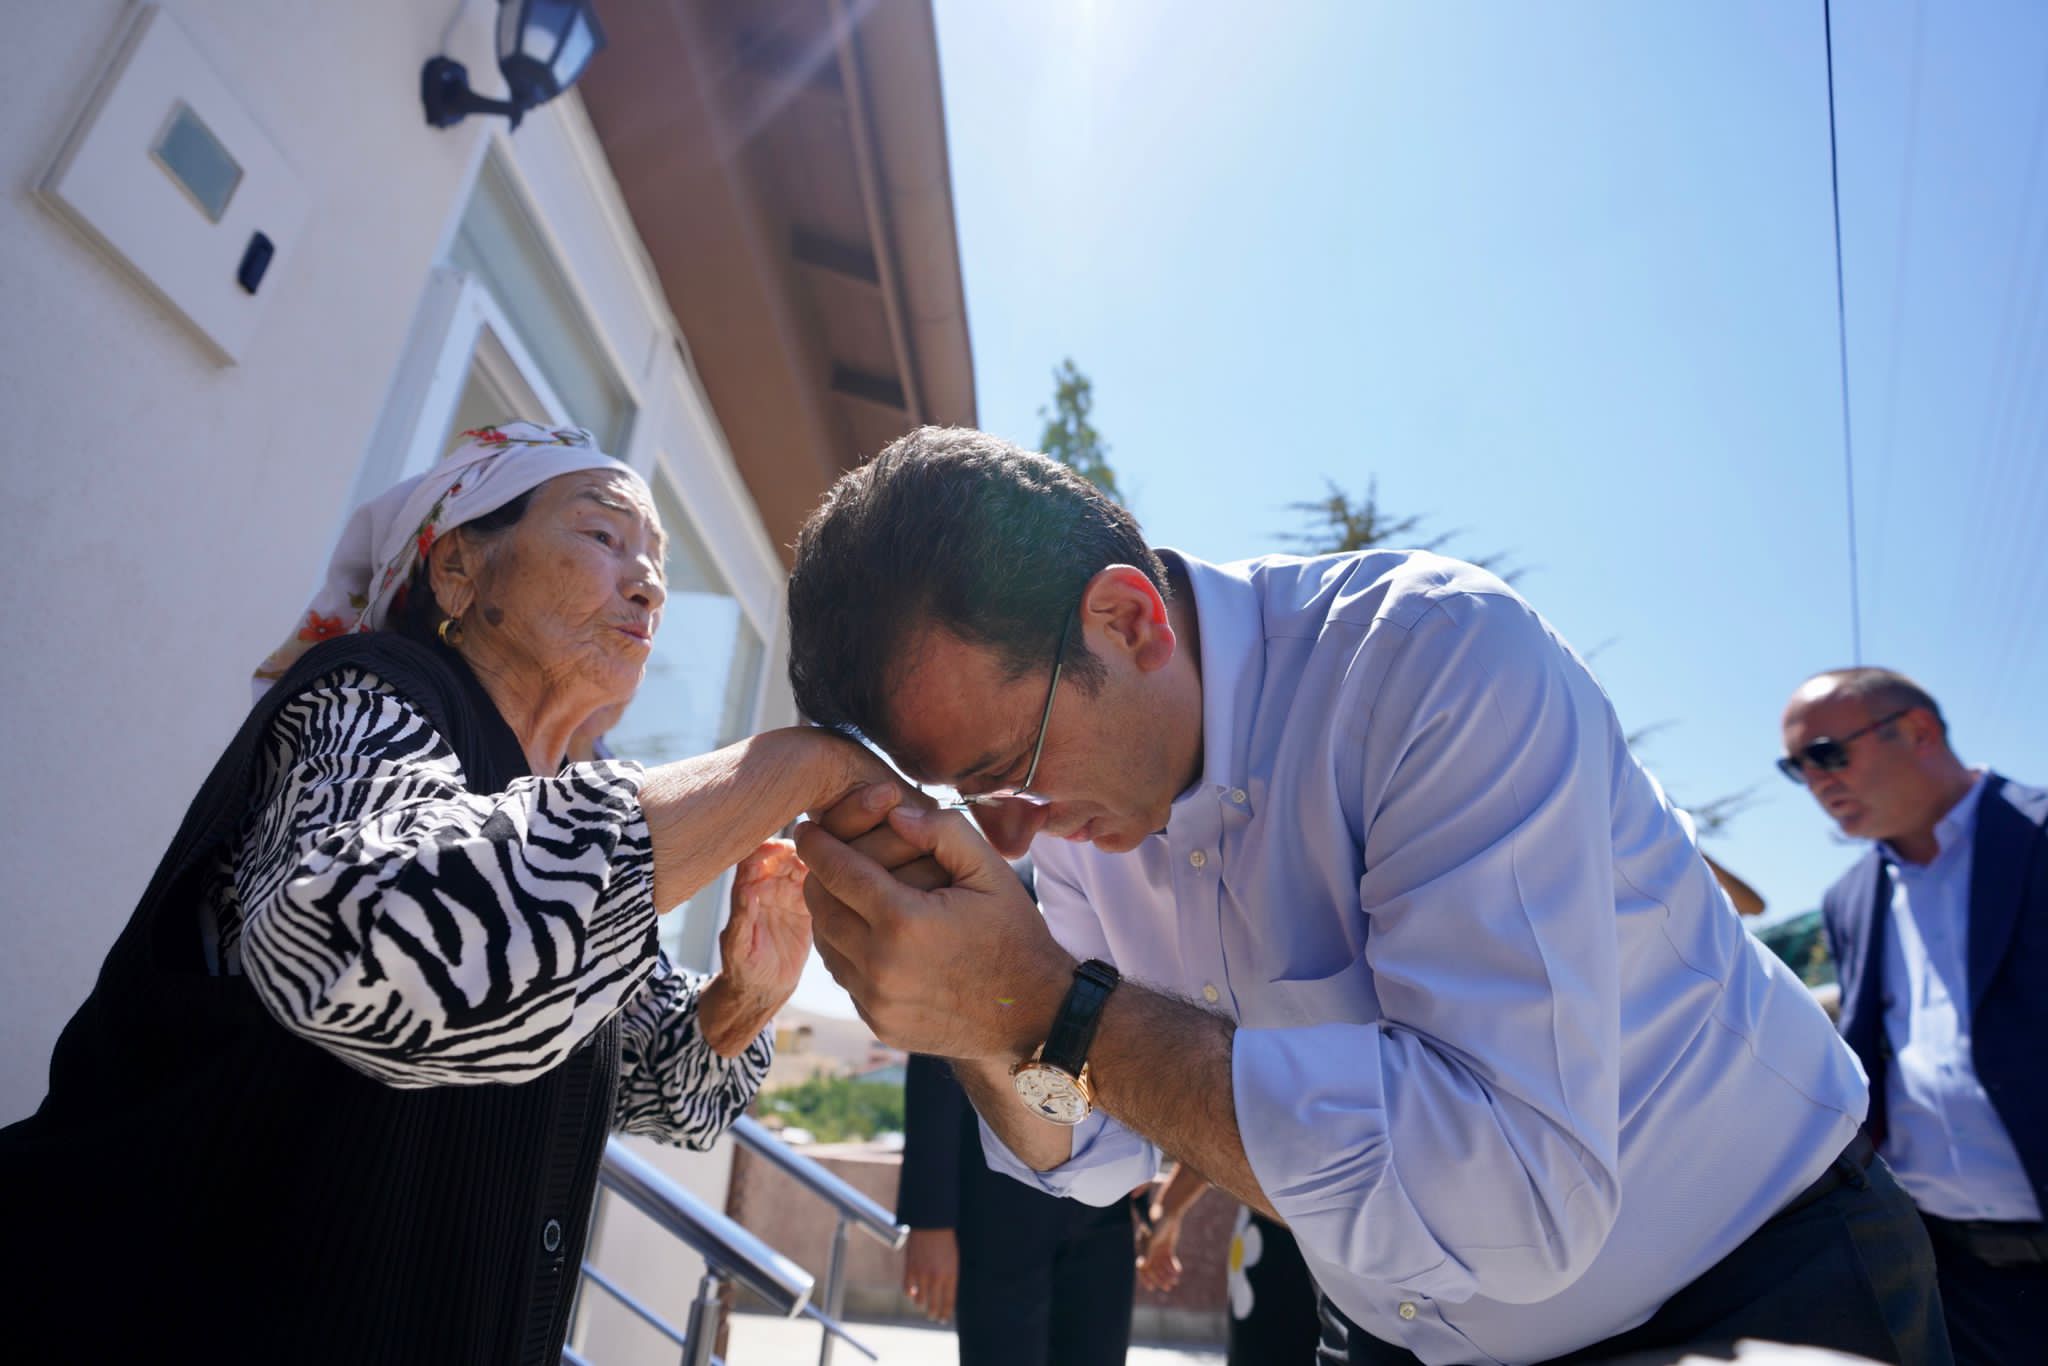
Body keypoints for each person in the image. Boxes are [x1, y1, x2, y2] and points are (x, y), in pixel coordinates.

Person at [780, 427, 1947, 1365]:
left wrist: (1047, 1002)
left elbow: (1516, 1192)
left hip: (1754, 1286)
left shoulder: (1430, 658)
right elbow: (1086, 1134)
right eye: (960, 796)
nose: (1006, 833)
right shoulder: (1075, 801)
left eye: (1005, 767)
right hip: (1395, 1333)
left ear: (1127, 620)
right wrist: (979, 1020)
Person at [0, 423, 895, 1364]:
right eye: (603, 536)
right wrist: (792, 767)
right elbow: (376, 941)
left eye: (657, 559)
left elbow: (660, 1090)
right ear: (459, 570)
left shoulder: (568, 794)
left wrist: (743, 999)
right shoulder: (364, 697)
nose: (649, 582)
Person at [1782, 667, 2047, 1365]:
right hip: (1955, 1275)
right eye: (1796, 767)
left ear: (1919, 731)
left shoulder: (2038, 836)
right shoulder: (1849, 900)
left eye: (1828, 753)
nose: (1815, 780)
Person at [898, 1051, 1136, 1365]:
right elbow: (935, 1045)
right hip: (998, 1208)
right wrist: (930, 1220)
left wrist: (1144, 1169)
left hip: (1107, 1209)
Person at [1137, 1165, 1320, 1366]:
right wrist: (1168, 1207)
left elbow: (1221, 1135)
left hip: (1285, 1241)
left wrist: (1169, 1206)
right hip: (1274, 1245)